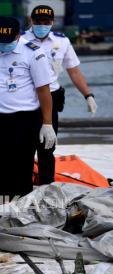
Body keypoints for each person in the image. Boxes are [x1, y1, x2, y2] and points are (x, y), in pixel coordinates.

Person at [0, 17, 57, 205]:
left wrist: (47, 123)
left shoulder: (34, 53)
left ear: (18, 35)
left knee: (19, 170)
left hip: (24, 121)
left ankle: (21, 210)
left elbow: (43, 90)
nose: (2, 45)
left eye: (7, 41)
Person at [21, 5, 98, 184]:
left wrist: (88, 95)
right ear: (30, 21)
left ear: (53, 22)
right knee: (24, 147)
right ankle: (22, 188)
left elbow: (74, 71)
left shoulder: (61, 42)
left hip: (51, 99)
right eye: (38, 21)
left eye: (46, 22)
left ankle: (47, 187)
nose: (42, 25)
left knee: (47, 147)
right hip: (25, 99)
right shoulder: (20, 40)